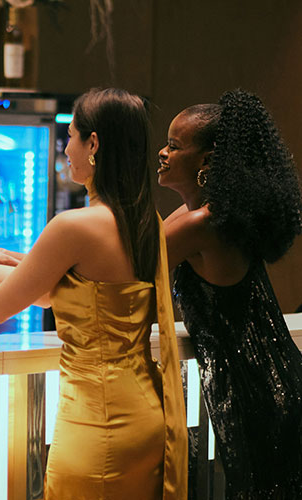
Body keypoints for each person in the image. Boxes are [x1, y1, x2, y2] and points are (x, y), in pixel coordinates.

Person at [0, 88, 188, 499]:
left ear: (93, 144)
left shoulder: (75, 226)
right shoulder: (145, 221)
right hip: (145, 414)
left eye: (72, 136)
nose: (65, 148)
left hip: (96, 423)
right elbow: (58, 297)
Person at [158, 89, 302, 498]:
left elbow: (120, 269)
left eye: (174, 145)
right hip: (271, 386)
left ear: (206, 162)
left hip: (260, 394)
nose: (162, 153)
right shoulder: (202, 215)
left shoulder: (204, 223)